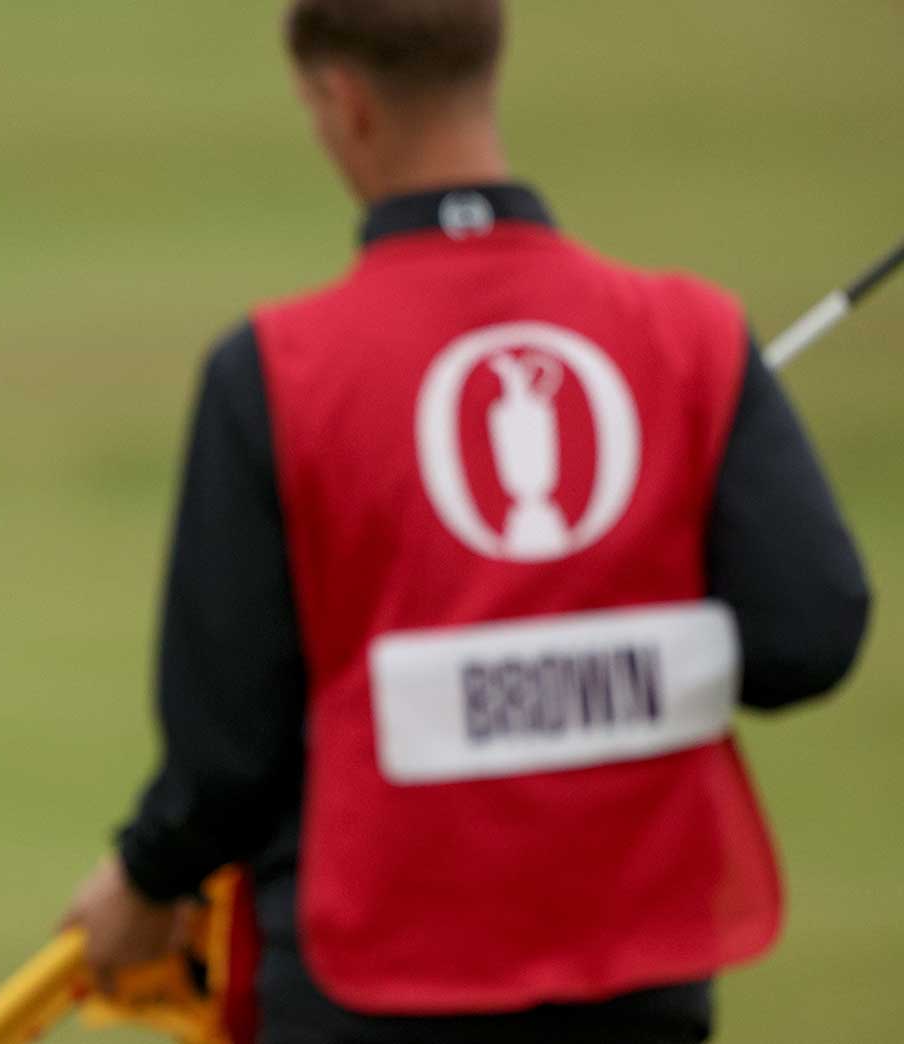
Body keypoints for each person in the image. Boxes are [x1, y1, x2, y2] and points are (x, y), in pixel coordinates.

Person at [62, 3, 870, 1042]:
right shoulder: (691, 336)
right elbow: (805, 638)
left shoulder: (272, 370)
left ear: (340, 101)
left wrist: (143, 876)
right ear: (486, 68)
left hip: (367, 986)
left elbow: (227, 751)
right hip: (635, 977)